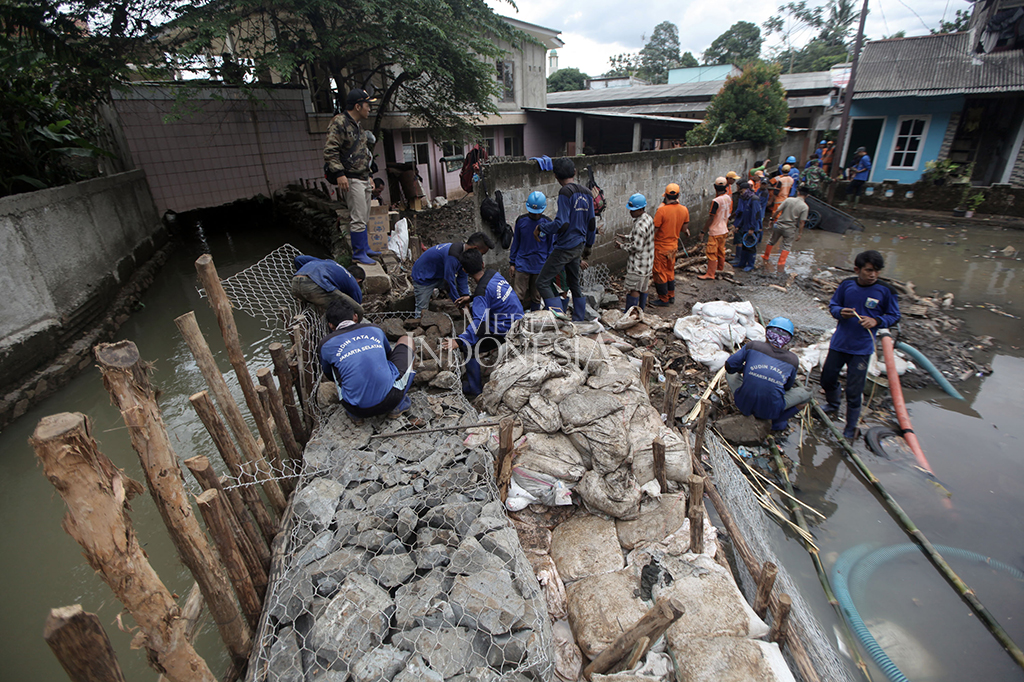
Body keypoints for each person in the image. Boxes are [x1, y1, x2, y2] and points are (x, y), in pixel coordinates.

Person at [820, 250, 901, 439]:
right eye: (869, 270)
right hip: (840, 343)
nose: (873, 275)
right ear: (857, 269)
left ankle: (850, 427)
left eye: (876, 271)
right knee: (827, 379)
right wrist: (841, 312)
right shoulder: (847, 285)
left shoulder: (886, 291)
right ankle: (833, 405)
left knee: (854, 390)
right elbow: (833, 305)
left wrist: (877, 321)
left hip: (861, 349)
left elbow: (895, 316)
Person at [441, 250, 524, 395]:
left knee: (468, 346)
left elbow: (479, 323)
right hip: (518, 320)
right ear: (483, 264)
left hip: (506, 330)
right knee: (475, 316)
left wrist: (459, 341)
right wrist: (471, 297)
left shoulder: (481, 293)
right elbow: (490, 293)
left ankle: (474, 388)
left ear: (465, 271)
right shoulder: (493, 274)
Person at [318, 301, 415, 424]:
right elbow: (388, 356)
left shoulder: (325, 343)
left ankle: (355, 414)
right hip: (391, 400)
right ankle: (399, 404)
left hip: (355, 408)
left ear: (331, 325)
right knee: (406, 340)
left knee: (334, 365)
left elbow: (328, 374)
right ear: (355, 317)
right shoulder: (374, 328)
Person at [536, 157, 596, 321]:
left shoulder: (565, 192)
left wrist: (542, 228)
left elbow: (562, 223)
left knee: (542, 282)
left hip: (565, 246)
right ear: (575, 172)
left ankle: (558, 319)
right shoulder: (587, 193)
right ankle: (578, 319)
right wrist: (588, 246)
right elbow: (591, 223)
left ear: (555, 176)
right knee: (573, 282)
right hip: (579, 245)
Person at [725, 317, 812, 432]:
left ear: (767, 334)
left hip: (743, 404)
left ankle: (749, 406)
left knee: (729, 375)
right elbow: (787, 387)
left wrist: (745, 370)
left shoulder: (753, 346)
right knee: (808, 394)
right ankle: (776, 421)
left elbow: (730, 366)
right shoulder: (793, 360)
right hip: (770, 410)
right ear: (787, 340)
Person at [324, 88, 379, 264]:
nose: (369, 109)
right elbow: (331, 150)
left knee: (364, 215)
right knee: (357, 216)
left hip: (362, 176)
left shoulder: (358, 126)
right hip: (351, 177)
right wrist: (339, 174)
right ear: (357, 105)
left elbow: (364, 154)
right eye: (367, 105)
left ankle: (365, 248)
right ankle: (358, 253)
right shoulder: (339, 123)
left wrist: (369, 174)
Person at [411, 232, 495, 317]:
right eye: (482, 254)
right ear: (475, 249)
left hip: (440, 274)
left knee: (467, 294)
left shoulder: (465, 254)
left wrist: (465, 296)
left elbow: (462, 277)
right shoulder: (453, 256)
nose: (481, 257)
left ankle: (476, 314)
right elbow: (448, 282)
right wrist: (460, 305)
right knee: (422, 310)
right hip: (423, 277)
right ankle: (417, 327)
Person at [509, 191, 554, 311]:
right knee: (518, 296)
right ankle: (516, 320)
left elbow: (551, 246)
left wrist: (549, 266)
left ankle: (534, 320)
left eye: (537, 213)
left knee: (536, 297)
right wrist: (512, 263)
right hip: (522, 264)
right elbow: (516, 242)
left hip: (540, 265)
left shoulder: (548, 223)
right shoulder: (521, 221)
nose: (535, 215)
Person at [651, 183, 690, 307]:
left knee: (659, 272)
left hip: (661, 247)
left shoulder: (661, 210)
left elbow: (654, 230)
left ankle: (663, 299)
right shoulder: (684, 210)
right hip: (673, 246)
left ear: (666, 196)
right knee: (669, 271)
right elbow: (684, 229)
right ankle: (671, 295)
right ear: (678, 195)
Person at [291, 255, 365, 318]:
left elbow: (299, 259)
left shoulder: (330, 263)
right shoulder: (352, 281)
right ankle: (351, 332)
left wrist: (303, 278)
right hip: (314, 285)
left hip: (295, 283)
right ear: (359, 280)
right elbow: (356, 305)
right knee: (358, 310)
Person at [617, 193, 655, 310]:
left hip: (638, 264)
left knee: (634, 289)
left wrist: (622, 246)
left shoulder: (639, 226)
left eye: (633, 210)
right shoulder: (648, 218)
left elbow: (636, 247)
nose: (630, 212)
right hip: (647, 262)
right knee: (643, 286)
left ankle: (631, 313)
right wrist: (627, 237)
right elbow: (641, 239)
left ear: (639, 209)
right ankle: (641, 310)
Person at [763, 185, 810, 270]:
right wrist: (800, 233)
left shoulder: (788, 200)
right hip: (790, 228)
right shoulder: (805, 207)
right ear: (807, 196)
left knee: (771, 241)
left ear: (798, 192)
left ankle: (766, 256)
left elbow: (777, 210)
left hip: (779, 225)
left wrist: (771, 219)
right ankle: (781, 264)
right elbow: (802, 221)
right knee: (787, 246)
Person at [697, 177, 732, 280]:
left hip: (715, 230)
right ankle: (720, 269)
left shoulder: (716, 201)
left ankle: (710, 274)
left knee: (712, 252)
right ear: (726, 187)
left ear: (714, 187)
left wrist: (703, 231)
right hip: (724, 229)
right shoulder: (728, 198)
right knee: (721, 250)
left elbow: (711, 217)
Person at [731, 180, 768, 271]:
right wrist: (739, 226)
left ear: (746, 190)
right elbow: (745, 215)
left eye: (742, 191)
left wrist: (752, 228)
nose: (742, 193)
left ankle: (750, 264)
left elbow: (755, 215)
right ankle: (742, 262)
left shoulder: (754, 199)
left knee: (750, 246)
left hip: (752, 227)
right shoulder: (747, 199)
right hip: (745, 226)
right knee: (744, 246)